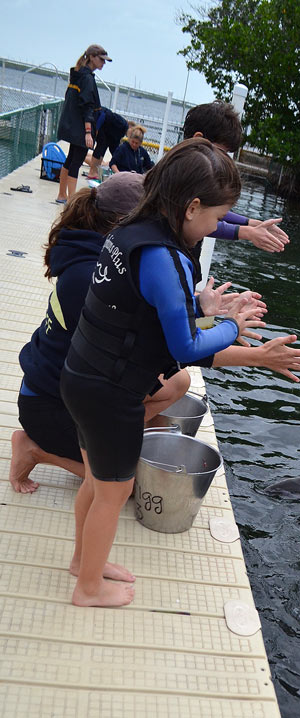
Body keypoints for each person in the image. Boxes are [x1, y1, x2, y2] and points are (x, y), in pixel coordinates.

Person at [57, 137, 285, 607]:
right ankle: (88, 588)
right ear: (191, 207)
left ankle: (85, 562)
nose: (217, 228)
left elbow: (151, 308)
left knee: (97, 483)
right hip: (111, 393)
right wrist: (230, 324)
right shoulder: (166, 259)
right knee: (114, 492)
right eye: (217, 219)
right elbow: (185, 345)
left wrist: (230, 250)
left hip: (80, 373)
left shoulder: (133, 225)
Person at [10, 173, 191, 494]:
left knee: (179, 381)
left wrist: (201, 314)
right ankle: (34, 449)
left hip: (70, 387)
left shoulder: (103, 257)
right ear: (124, 225)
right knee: (131, 484)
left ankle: (112, 436)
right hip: (50, 405)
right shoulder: (92, 276)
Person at [183, 101, 290, 255]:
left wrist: (251, 223)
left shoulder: (192, 175)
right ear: (198, 139)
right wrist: (246, 232)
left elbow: (208, 212)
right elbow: (201, 220)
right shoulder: (178, 179)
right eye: (221, 152)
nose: (224, 160)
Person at [56, 44, 111, 203]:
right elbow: (87, 106)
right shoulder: (87, 78)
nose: (103, 63)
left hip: (72, 124)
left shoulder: (77, 73)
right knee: (76, 162)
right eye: (101, 60)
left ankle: (62, 195)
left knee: (70, 159)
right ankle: (72, 201)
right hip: (81, 127)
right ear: (92, 57)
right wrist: (88, 131)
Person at [86, 109, 132, 180]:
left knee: (102, 148)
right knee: (101, 147)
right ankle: (92, 172)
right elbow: (103, 114)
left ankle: (93, 171)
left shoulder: (119, 131)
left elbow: (113, 146)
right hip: (100, 124)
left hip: (105, 130)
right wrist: (97, 129)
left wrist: (119, 158)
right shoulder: (123, 124)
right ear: (130, 127)